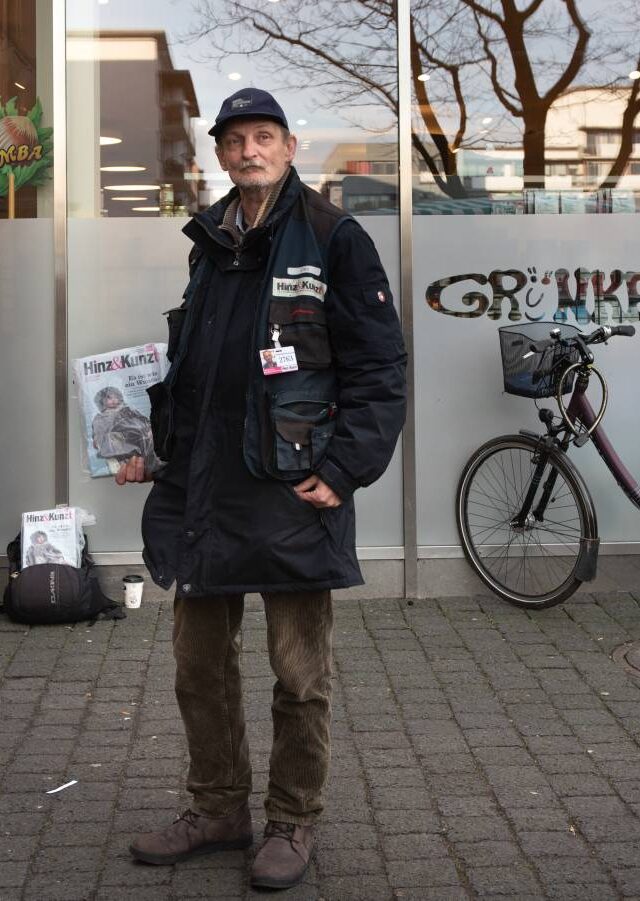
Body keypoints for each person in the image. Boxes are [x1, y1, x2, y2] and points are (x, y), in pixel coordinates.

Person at [116, 87, 406, 890]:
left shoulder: (332, 236)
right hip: (205, 490)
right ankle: (217, 809)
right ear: (218, 152)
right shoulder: (210, 239)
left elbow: (381, 366)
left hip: (291, 491)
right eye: (235, 139)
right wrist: (149, 448)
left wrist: (345, 468)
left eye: (264, 137)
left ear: (289, 146)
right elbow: (194, 370)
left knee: (299, 676)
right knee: (196, 667)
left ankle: (292, 819)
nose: (249, 151)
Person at [92, 386, 156, 476]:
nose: (113, 400)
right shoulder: (100, 418)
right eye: (109, 397)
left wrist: (149, 428)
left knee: (144, 444)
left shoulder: (127, 410)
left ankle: (146, 461)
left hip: (134, 437)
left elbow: (141, 419)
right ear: (102, 400)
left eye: (115, 397)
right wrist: (96, 438)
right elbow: (98, 430)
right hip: (116, 441)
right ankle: (120, 463)